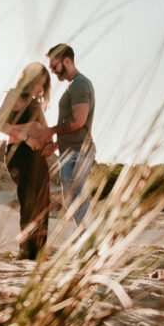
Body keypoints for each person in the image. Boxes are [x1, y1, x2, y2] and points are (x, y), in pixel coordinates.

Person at [0, 62, 55, 260]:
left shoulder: (37, 104)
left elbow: (45, 130)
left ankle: (39, 252)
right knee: (28, 199)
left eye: (44, 85)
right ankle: (27, 251)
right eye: (39, 83)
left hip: (37, 156)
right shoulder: (14, 95)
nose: (41, 89)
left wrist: (50, 143)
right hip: (19, 153)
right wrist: (27, 137)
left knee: (43, 199)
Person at [45, 43, 95, 225]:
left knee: (78, 200)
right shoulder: (73, 85)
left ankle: (92, 245)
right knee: (71, 200)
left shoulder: (80, 84)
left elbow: (78, 122)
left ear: (67, 61)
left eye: (54, 65)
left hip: (79, 152)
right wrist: (56, 145)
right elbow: (73, 125)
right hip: (70, 152)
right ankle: (91, 242)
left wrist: (51, 130)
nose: (52, 70)